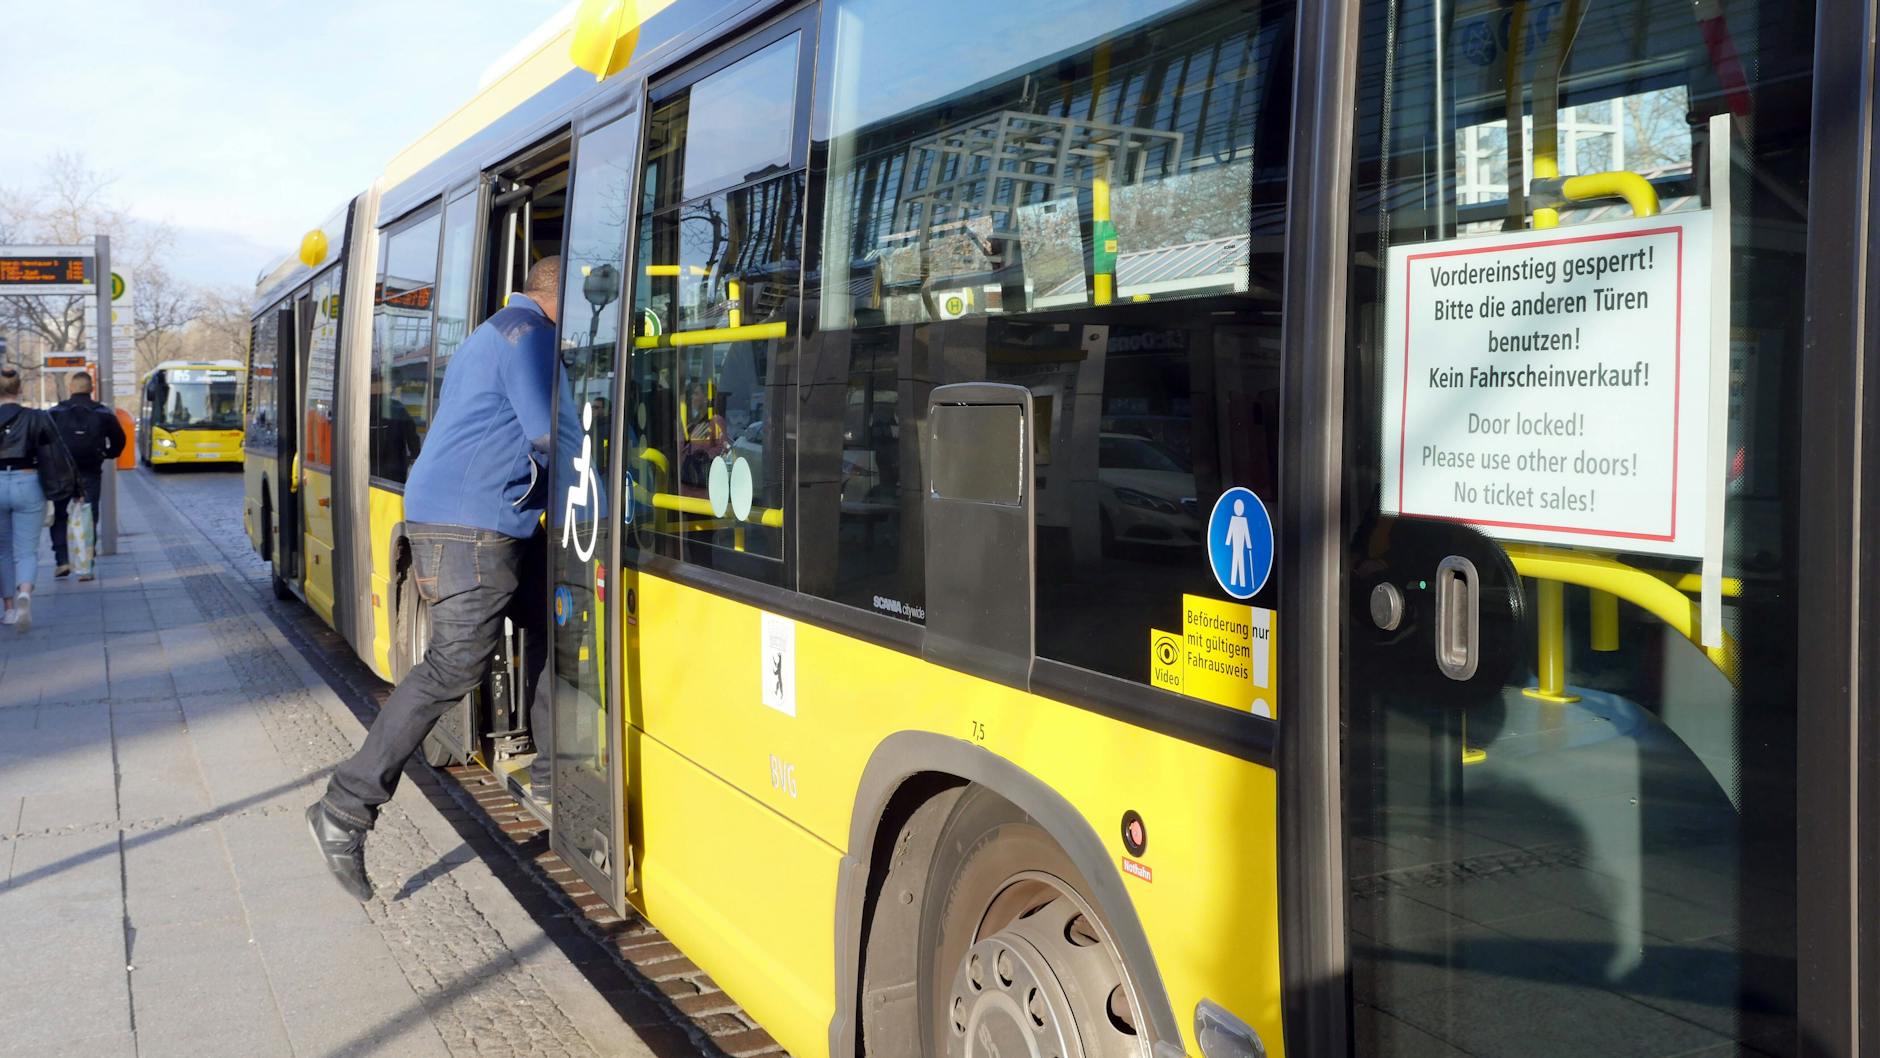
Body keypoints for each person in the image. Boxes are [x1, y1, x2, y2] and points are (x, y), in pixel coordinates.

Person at [307, 258, 562, 901]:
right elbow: (547, 433)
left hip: (479, 517)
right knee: (452, 665)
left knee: (549, 623)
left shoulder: (491, 332)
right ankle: (345, 808)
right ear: (559, 295)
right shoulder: (527, 334)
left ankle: (560, 775)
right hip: (470, 524)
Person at [0, 366, 78, 632]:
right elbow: (57, 453)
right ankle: (25, 592)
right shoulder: (37, 418)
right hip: (28, 481)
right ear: (19, 389)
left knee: (2, 550)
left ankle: (9, 608)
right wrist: (73, 486)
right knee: (26, 549)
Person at [48, 371, 126, 580]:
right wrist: (109, 454)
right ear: (91, 389)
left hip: (61, 471)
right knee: (89, 513)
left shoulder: (55, 412)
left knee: (60, 514)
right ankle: (86, 565)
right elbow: (119, 439)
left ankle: (62, 560)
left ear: (71, 388)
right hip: (90, 469)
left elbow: (43, 440)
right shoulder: (103, 412)